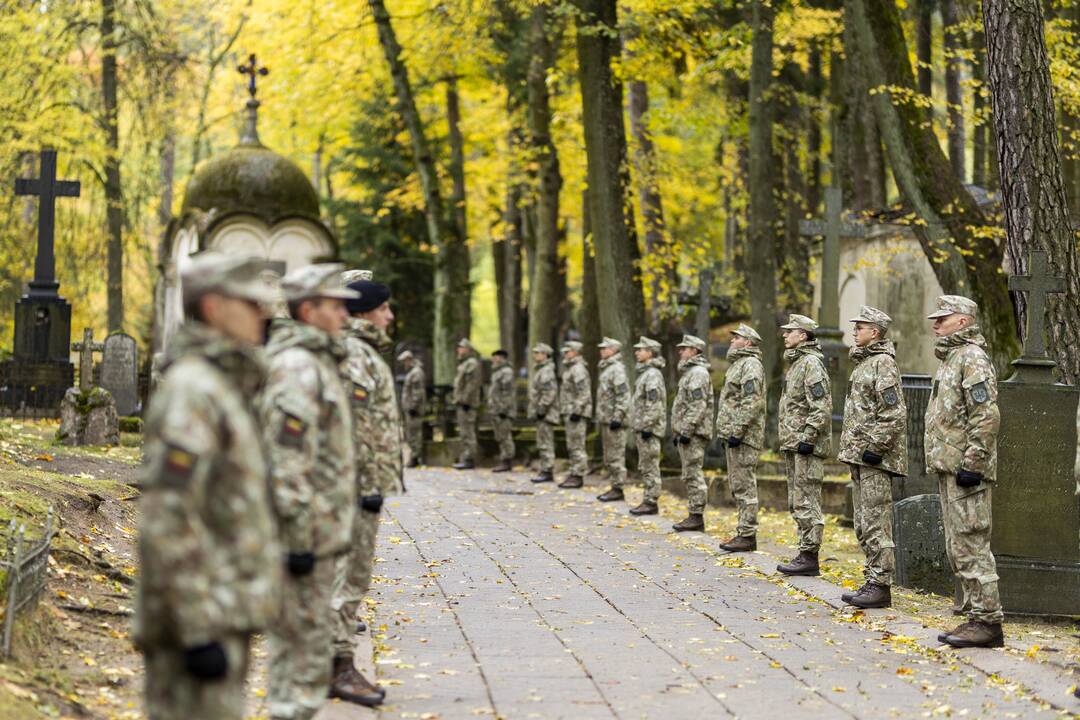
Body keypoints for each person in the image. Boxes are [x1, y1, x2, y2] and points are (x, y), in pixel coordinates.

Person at [136, 253, 282, 720]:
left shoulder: (223, 387)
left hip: (223, 613)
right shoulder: (193, 391)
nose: (265, 312)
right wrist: (196, 630)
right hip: (198, 624)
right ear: (216, 307)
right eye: (251, 303)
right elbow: (167, 517)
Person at [261, 263, 358, 720]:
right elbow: (286, 461)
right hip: (304, 538)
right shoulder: (298, 368)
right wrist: (298, 539)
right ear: (307, 309)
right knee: (296, 655)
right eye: (335, 304)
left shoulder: (318, 362)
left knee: (309, 652)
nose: (344, 313)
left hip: (318, 536)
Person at [331, 272, 408, 706]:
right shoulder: (356, 355)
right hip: (355, 485)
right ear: (364, 313)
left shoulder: (361, 351)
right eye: (384, 309)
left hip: (360, 483)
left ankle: (335, 661)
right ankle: (338, 666)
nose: (390, 316)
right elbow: (356, 427)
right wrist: (365, 485)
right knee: (350, 575)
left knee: (351, 574)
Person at [925, 295, 1004, 648]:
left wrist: (973, 462)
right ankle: (975, 616)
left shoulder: (972, 357)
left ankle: (988, 620)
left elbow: (986, 415)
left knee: (972, 542)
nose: (935, 323)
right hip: (951, 466)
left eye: (943, 318)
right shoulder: (952, 358)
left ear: (963, 321)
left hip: (966, 469)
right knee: (958, 545)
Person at [837, 307, 907, 608]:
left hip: (874, 458)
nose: (855, 331)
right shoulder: (864, 363)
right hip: (859, 456)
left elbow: (894, 412)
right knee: (863, 523)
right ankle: (871, 579)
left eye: (860, 327)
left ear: (875, 332)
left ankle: (880, 584)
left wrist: (876, 447)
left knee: (876, 522)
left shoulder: (883, 364)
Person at [776, 314, 832, 577]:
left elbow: (821, 406)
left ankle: (810, 555)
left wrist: (808, 438)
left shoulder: (811, 364)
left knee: (807, 499)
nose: (785, 335)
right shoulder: (797, 363)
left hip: (804, 444)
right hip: (794, 442)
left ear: (803, 335)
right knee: (797, 500)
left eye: (790, 331)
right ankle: (804, 551)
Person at [715, 323, 766, 552]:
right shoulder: (738, 364)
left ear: (747, 342)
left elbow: (751, 401)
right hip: (734, 434)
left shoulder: (751, 365)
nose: (731, 340)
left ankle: (747, 534)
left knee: (745, 484)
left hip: (744, 436)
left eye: (736, 337)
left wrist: (737, 431)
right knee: (737, 484)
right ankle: (742, 531)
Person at [670, 334, 714, 532]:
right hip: (687, 431)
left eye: (685, 348)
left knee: (693, 473)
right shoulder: (690, 373)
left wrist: (686, 430)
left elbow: (697, 405)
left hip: (694, 433)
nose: (680, 351)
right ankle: (693, 514)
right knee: (689, 473)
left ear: (694, 351)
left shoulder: (698, 373)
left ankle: (696, 516)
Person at [628, 336, 667, 516]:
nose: (637, 352)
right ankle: (648, 499)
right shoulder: (646, 373)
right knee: (645, 464)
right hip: (643, 427)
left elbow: (655, 404)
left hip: (648, 429)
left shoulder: (652, 374)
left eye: (640, 350)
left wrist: (647, 426)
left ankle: (651, 501)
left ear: (650, 353)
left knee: (650, 465)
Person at [595, 337, 631, 502]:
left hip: (614, 420)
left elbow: (623, 395)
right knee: (609, 456)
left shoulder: (617, 369)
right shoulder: (607, 369)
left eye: (605, 348)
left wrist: (618, 416)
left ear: (614, 350)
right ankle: (614, 486)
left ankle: (618, 488)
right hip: (606, 419)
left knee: (616, 455)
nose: (601, 350)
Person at [558, 340, 593, 488]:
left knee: (577, 444)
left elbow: (584, 392)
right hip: (570, 411)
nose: (565, 353)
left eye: (568, 351)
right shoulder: (570, 368)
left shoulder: (578, 369)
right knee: (572, 444)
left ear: (576, 352)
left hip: (576, 413)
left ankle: (578, 475)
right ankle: (574, 472)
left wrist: (577, 410)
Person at [529, 343, 559, 483]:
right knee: (542, 442)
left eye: (538, 352)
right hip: (542, 412)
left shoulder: (546, 371)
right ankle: (545, 469)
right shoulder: (541, 370)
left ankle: (547, 470)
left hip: (546, 413)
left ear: (545, 354)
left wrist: (541, 409)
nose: (535, 355)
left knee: (546, 442)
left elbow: (549, 392)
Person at [453, 338, 482, 470]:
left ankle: (469, 459)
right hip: (462, 403)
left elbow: (471, 385)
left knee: (468, 432)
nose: (459, 349)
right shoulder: (464, 364)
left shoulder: (471, 363)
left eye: (461, 347)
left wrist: (465, 400)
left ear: (468, 349)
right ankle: (466, 457)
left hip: (467, 404)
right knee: (464, 432)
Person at [488, 349, 517, 472]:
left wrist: (504, 409)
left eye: (496, 356)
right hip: (496, 409)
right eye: (493, 356)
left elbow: (507, 392)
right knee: (500, 435)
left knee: (505, 435)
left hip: (504, 410)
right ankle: (504, 459)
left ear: (502, 358)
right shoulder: (497, 372)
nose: (494, 359)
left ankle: (507, 460)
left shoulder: (506, 372)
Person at [399, 350, 426, 467]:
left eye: (404, 361)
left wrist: (413, 406)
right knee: (410, 433)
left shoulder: (416, 373)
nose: (404, 364)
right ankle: (414, 456)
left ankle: (415, 457)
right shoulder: (413, 373)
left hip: (414, 410)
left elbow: (417, 392)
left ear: (409, 360)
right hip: (410, 408)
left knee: (414, 433)